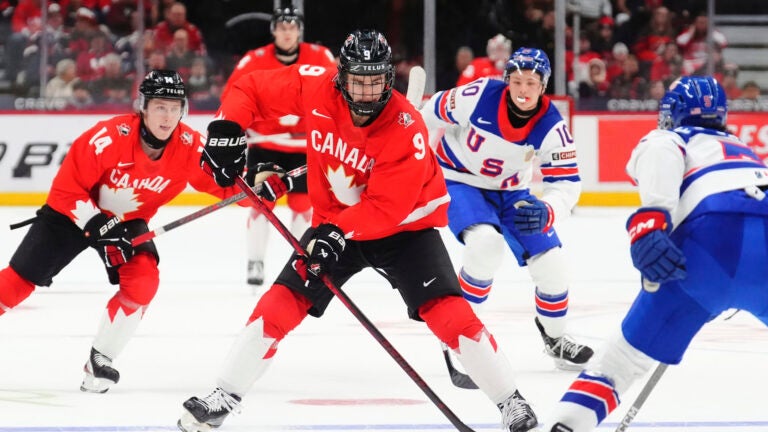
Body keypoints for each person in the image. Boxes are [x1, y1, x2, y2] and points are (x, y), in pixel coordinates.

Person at [177, 29, 539, 432]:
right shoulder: (317, 88)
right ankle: (224, 394)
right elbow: (250, 87)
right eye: (358, 79)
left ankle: (511, 400)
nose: (366, 91)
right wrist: (228, 126)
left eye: (375, 80)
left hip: (405, 230)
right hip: (336, 223)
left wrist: (335, 231)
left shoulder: (405, 129)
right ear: (340, 76)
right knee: (282, 300)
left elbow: (386, 207)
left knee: (447, 313)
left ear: (389, 78)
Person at [0, 70, 284, 394]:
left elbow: (225, 186)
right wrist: (97, 224)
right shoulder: (109, 137)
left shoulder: (190, 147)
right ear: (143, 107)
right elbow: (67, 189)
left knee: (144, 280)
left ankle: (100, 360)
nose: (168, 116)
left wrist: (259, 186)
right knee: (17, 282)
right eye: (160, 107)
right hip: (73, 216)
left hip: (126, 222)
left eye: (175, 107)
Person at [548, 76, 768, 432]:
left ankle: (569, 425)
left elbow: (662, 162)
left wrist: (650, 224)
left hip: (710, 248)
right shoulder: (743, 147)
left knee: (620, 362)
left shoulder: (670, 137)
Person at [419, 47, 594, 371]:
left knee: (553, 265)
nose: (523, 90)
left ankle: (555, 339)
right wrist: (419, 158)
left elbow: (567, 184)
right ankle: (460, 336)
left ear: (543, 86)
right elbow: (431, 112)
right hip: (459, 181)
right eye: (516, 81)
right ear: (506, 81)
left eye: (531, 82)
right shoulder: (480, 94)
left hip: (512, 192)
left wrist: (548, 210)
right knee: (485, 245)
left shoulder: (552, 125)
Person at [222, 6, 336, 288]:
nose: (287, 33)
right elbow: (232, 97)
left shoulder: (321, 56)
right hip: (267, 148)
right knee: (262, 205)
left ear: (299, 31)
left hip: (304, 148)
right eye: (282, 28)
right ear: (273, 31)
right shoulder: (255, 59)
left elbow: (336, 94)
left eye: (292, 27)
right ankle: (256, 261)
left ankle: (296, 260)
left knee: (302, 206)